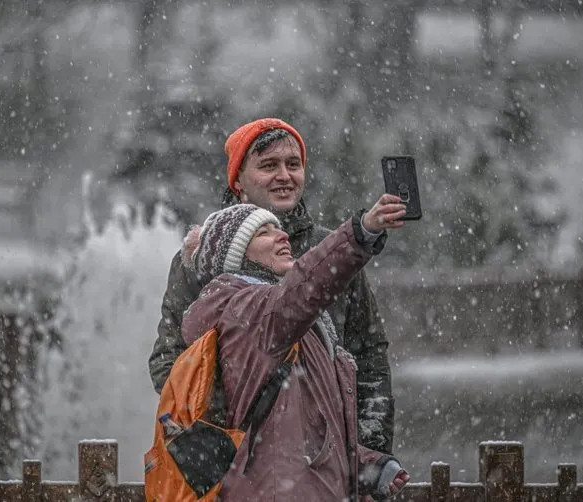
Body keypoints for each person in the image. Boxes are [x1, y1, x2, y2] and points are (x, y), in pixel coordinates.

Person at [149, 118, 395, 453]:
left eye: (293, 164)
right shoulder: (199, 258)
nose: (284, 175)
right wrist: (218, 434)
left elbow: (369, 356)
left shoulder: (332, 249)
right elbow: (170, 360)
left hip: (324, 458)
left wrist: (372, 450)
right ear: (238, 180)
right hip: (236, 461)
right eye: (268, 165)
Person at [178, 199, 409, 501]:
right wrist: (360, 231)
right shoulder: (249, 310)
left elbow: (304, 428)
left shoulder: (283, 322)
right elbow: (308, 284)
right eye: (263, 233)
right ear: (234, 255)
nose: (282, 235)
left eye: (279, 227)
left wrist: (367, 464)